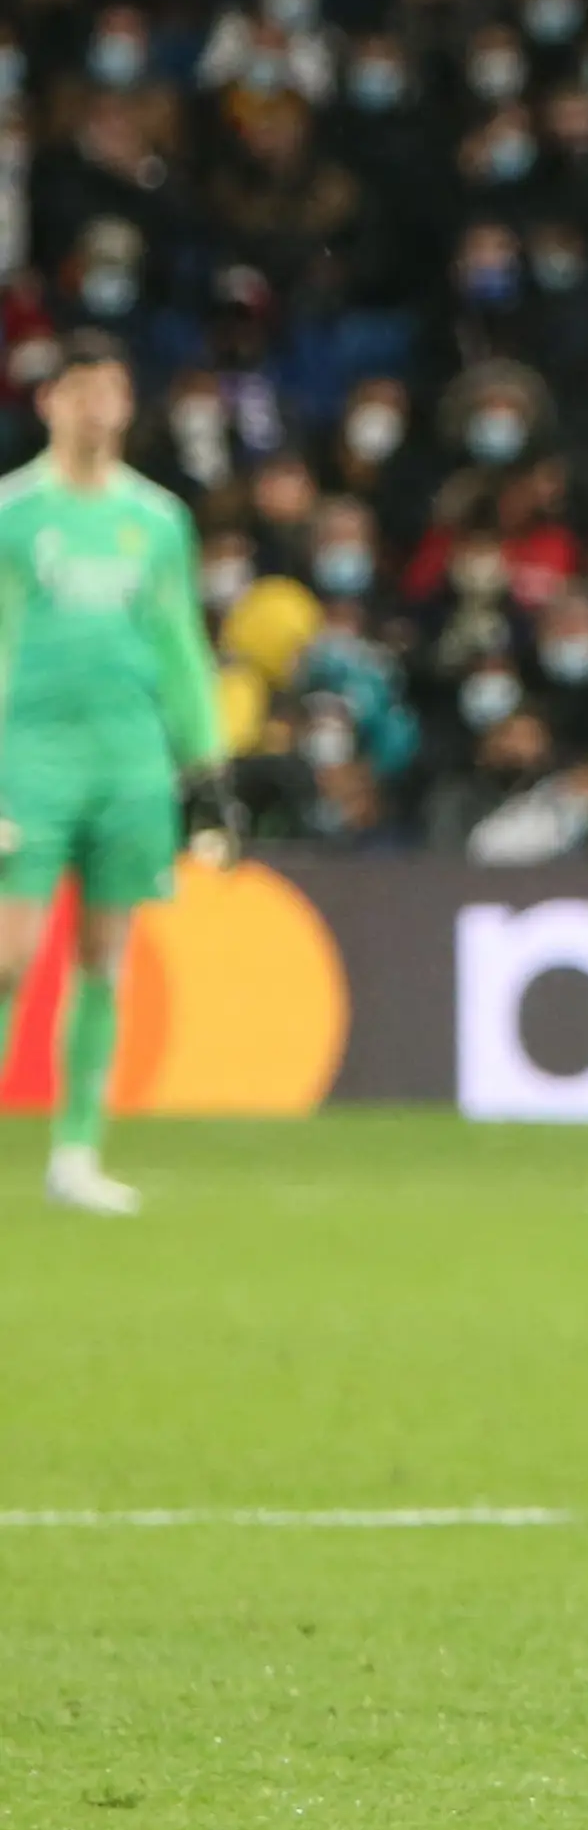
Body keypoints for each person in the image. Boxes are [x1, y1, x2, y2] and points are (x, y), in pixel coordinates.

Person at [0, 337, 239, 1217]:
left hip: (130, 760)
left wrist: (205, 768)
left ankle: (76, 1152)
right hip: (28, 758)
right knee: (7, 958)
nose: (97, 407)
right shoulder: (13, 514)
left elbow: (179, 646)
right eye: (80, 391)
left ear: (129, 406)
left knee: (103, 956)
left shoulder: (157, 519)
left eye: (112, 391)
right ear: (50, 403)